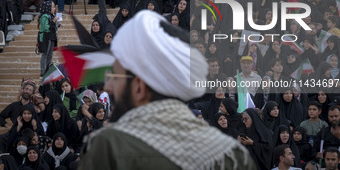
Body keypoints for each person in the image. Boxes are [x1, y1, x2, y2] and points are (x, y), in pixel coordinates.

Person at [79, 10, 256, 170]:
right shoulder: (232, 155)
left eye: (116, 78)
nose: (108, 87)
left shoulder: (107, 148)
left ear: (140, 87)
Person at [38, 1, 58, 77]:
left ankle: (47, 70)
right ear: (48, 8)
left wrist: (58, 24)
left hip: (52, 37)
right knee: (45, 54)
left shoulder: (52, 16)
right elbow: (46, 27)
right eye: (52, 7)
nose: (54, 9)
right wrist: (54, 21)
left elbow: (53, 26)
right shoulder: (44, 16)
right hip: (46, 37)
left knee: (50, 54)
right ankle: (43, 71)